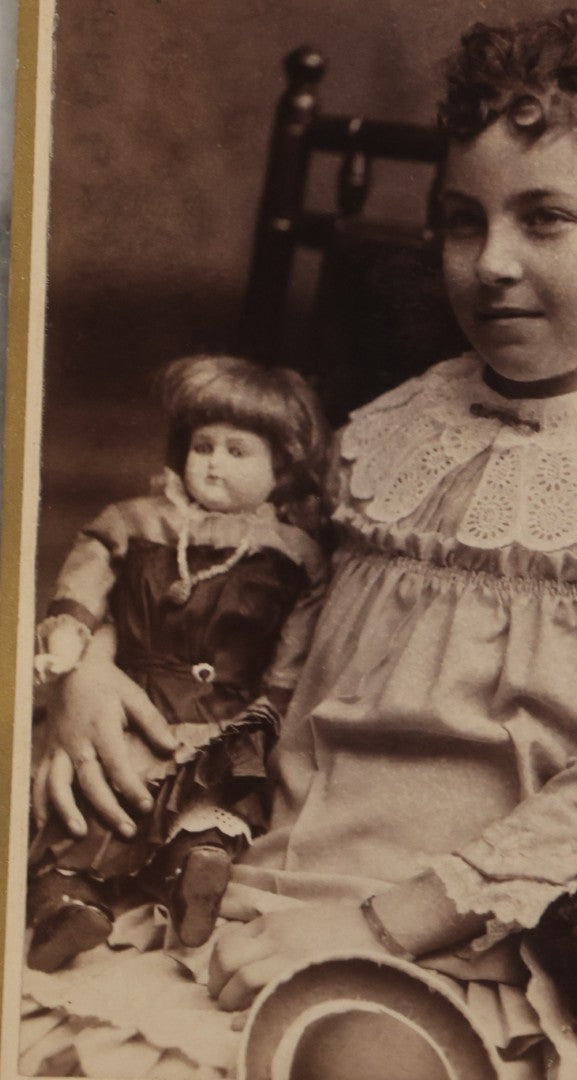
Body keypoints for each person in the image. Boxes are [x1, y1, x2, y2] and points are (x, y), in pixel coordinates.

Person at [24, 10, 577, 1078]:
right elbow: (223, 596)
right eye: (463, 220)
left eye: (544, 220)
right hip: (245, 882)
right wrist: (86, 669)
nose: (491, 261)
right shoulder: (384, 434)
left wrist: (384, 926)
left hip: (462, 935)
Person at [26, 355, 328, 971]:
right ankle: (70, 901)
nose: (213, 462)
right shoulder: (137, 520)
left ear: (281, 471)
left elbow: (297, 647)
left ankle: (194, 873)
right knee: (98, 796)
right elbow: (88, 574)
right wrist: (71, 637)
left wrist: (275, 712)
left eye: (237, 451)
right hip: (134, 695)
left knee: (210, 804)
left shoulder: (294, 556)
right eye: (203, 446)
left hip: (227, 713)